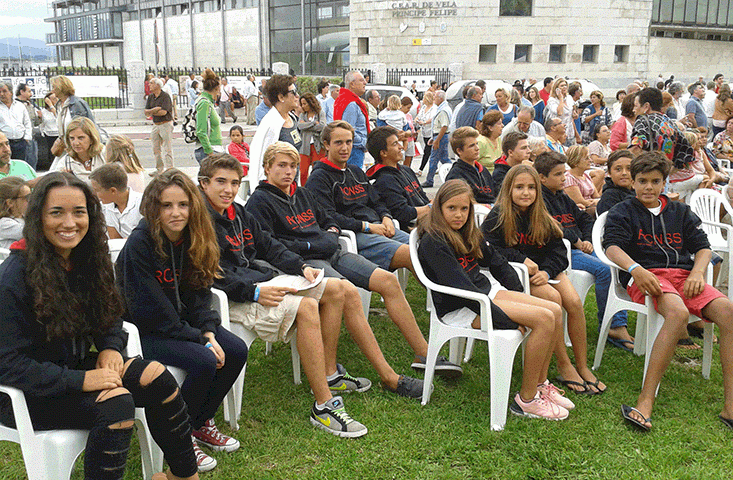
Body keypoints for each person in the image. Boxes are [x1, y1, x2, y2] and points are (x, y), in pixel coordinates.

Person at [0, 172, 200, 480]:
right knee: (116, 403)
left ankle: (183, 475)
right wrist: (80, 381)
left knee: (156, 376)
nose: (70, 223)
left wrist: (110, 345)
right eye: (57, 212)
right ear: (38, 216)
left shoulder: (86, 259)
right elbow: (7, 364)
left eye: (79, 212)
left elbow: (109, 316)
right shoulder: (15, 275)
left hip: (72, 367)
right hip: (25, 393)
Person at [197, 155, 370, 439]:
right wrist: (254, 291)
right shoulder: (199, 222)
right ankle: (324, 406)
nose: (228, 189)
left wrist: (302, 267)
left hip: (259, 282)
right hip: (233, 298)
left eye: (234, 183)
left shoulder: (237, 212)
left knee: (339, 289)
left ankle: (330, 373)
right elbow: (211, 275)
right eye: (220, 182)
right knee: (307, 307)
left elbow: (269, 246)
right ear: (203, 184)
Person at [243, 145, 426, 397]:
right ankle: (387, 376)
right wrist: (309, 245)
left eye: (293, 166)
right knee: (348, 292)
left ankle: (424, 353)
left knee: (387, 281)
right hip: (304, 263)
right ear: (267, 168)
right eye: (281, 166)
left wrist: (330, 233)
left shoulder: (302, 194)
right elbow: (270, 246)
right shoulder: (259, 202)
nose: (288, 172)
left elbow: (327, 218)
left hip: (333, 252)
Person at [306, 121, 462, 376]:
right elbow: (328, 217)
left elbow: (376, 200)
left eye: (348, 142)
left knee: (431, 248)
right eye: (338, 143)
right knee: (414, 256)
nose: (345, 148)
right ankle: (444, 310)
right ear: (326, 145)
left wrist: (386, 217)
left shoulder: (356, 171)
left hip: (382, 227)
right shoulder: (320, 177)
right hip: (356, 235)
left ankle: (450, 303)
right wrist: (368, 226)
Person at [116, 169, 248, 470]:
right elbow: (150, 310)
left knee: (236, 350)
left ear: (193, 206)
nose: (176, 213)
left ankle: (199, 422)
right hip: (146, 332)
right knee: (203, 360)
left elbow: (201, 293)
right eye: (167, 205)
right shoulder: (141, 243)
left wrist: (209, 330)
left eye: (183, 205)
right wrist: (201, 339)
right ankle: (181, 435)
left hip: (182, 325)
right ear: (154, 208)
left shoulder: (194, 238)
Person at [417, 179, 571, 420]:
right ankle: (526, 400)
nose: (459, 215)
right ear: (438, 208)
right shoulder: (434, 241)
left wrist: (519, 295)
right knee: (542, 319)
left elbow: (497, 261)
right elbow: (461, 288)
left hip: (486, 295)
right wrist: (504, 320)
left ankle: (540, 384)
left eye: (464, 209)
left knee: (554, 309)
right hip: (463, 306)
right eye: (451, 208)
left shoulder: (466, 232)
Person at [603, 152, 733, 432]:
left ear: (664, 183)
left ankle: (731, 407)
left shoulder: (681, 211)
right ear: (633, 182)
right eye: (642, 181)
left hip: (683, 275)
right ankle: (645, 400)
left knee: (728, 312)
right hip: (646, 275)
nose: (648, 187)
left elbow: (702, 246)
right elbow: (611, 246)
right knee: (676, 312)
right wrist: (636, 269)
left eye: (655, 181)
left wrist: (698, 272)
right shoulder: (622, 211)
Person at [482, 165, 606, 395]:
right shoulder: (498, 216)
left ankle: (581, 364)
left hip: (547, 271)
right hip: (519, 275)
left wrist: (548, 272)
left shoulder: (541, 215)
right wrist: (522, 260)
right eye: (519, 187)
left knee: (575, 302)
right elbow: (489, 249)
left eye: (531, 188)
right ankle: (564, 365)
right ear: (508, 189)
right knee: (553, 299)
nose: (526, 193)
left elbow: (559, 251)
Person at [536, 151, 633, 351]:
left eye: (564, 173)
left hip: (581, 247)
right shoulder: (540, 201)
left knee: (615, 263)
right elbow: (551, 228)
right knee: (605, 270)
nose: (564, 178)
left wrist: (587, 239)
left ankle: (617, 317)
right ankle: (614, 326)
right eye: (558, 174)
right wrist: (577, 241)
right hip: (564, 253)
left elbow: (585, 220)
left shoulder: (562, 196)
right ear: (542, 178)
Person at [366, 126, 430, 230]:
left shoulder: (406, 170)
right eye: (395, 144)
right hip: (413, 227)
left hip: (428, 219)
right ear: (383, 153)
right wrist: (431, 208)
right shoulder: (384, 180)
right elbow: (403, 213)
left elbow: (423, 197)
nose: (401, 147)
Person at [250, 75, 302, 186]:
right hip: (276, 189)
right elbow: (262, 162)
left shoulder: (292, 118)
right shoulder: (271, 124)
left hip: (292, 185)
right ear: (281, 97)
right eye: (293, 92)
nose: (297, 96)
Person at [630, 87, 695, 172]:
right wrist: (667, 172)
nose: (633, 110)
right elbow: (687, 152)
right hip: (663, 175)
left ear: (646, 106)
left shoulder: (642, 120)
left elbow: (636, 147)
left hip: (646, 173)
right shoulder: (668, 122)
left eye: (636, 106)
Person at [89, 163, 143, 239]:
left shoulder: (143, 204)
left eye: (97, 190)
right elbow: (114, 238)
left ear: (113, 191)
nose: (96, 195)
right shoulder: (106, 207)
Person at [445, 126, 496, 205]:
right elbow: (463, 204)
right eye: (472, 146)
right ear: (459, 151)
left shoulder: (483, 170)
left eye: (477, 144)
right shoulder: (456, 175)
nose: (477, 148)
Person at [50, 75, 95, 158]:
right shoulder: (59, 105)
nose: (52, 90)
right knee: (55, 170)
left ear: (61, 88)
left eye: (54, 87)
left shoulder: (77, 104)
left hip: (79, 147)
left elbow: (87, 126)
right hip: (66, 147)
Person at [50, 117, 105, 182]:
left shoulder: (104, 154)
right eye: (72, 138)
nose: (76, 143)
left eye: (81, 138)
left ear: (92, 139)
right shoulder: (65, 162)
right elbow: (50, 179)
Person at [334, 71, 369, 169]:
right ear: (352, 84)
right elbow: (348, 129)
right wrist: (363, 142)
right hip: (354, 150)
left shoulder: (345, 99)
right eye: (361, 80)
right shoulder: (351, 104)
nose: (365, 83)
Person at [144, 78, 175, 176]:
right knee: (156, 149)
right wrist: (155, 109)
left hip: (165, 124)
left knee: (167, 148)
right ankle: (159, 169)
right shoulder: (150, 97)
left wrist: (151, 111)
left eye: (151, 83)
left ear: (158, 85)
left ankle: (170, 169)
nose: (149, 85)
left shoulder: (165, 96)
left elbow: (163, 112)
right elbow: (146, 112)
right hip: (156, 125)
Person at [421, 90, 452, 188]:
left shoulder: (443, 110)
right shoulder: (443, 108)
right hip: (439, 135)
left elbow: (444, 126)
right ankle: (454, 175)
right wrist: (433, 137)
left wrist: (437, 140)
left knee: (433, 159)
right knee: (444, 159)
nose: (434, 99)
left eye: (435, 97)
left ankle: (429, 180)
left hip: (440, 136)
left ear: (440, 98)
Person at [194, 69, 223, 164]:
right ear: (217, 87)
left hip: (212, 149)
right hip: (209, 150)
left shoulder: (208, 102)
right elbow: (201, 131)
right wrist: (209, 152)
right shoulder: (204, 103)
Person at [297, 93, 326, 186]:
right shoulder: (302, 115)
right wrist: (313, 123)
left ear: (311, 102)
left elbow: (322, 126)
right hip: (304, 147)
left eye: (305, 103)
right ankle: (304, 191)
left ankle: (316, 190)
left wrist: (307, 125)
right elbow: (300, 126)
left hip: (318, 147)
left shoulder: (320, 112)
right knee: (303, 172)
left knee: (317, 171)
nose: (303, 106)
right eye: (302, 104)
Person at [564, 145, 601, 215]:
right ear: (576, 162)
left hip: (592, 206)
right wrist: (599, 202)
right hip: (581, 212)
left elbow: (596, 196)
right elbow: (580, 202)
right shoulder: (569, 178)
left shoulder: (585, 175)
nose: (590, 160)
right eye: (586, 158)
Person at [597, 149, 635, 215]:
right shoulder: (609, 197)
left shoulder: (639, 192)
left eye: (629, 169)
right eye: (618, 169)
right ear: (609, 172)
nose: (624, 173)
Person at [0, 82, 31, 164]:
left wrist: (26, 138)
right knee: (5, 165)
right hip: (4, 144)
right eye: (0, 92)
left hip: (20, 142)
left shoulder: (20, 106)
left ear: (11, 92)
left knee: (20, 165)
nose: (2, 94)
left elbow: (27, 122)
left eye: (4, 91)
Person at [15, 83, 41, 169]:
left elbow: (34, 122)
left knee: (33, 163)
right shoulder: (16, 105)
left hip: (32, 138)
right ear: (22, 92)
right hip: (23, 139)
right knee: (24, 164)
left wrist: (40, 118)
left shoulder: (30, 104)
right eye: (29, 91)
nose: (31, 94)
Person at [0, 176, 29, 248]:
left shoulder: (24, 217)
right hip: (12, 258)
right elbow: (32, 232)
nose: (31, 200)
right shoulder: (4, 223)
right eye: (27, 198)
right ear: (10, 203)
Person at [545, 79, 574, 145]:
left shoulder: (569, 98)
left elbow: (571, 115)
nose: (564, 87)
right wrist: (561, 98)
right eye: (562, 86)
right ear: (557, 88)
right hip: (558, 131)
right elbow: (559, 112)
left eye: (565, 85)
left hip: (569, 131)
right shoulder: (552, 100)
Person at [415, 90, 436, 177]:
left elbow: (432, 118)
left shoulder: (434, 108)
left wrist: (424, 122)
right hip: (424, 132)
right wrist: (417, 119)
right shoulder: (424, 107)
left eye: (424, 98)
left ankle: (421, 169)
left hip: (431, 132)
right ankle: (435, 166)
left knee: (427, 150)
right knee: (432, 151)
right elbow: (419, 115)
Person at [38, 91, 59, 171]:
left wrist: (51, 106)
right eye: (54, 99)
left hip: (58, 134)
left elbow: (57, 116)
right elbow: (41, 123)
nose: (56, 100)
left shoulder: (59, 109)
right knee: (51, 154)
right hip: (49, 135)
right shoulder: (43, 111)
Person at [400, 96, 416, 167]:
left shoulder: (409, 115)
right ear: (402, 106)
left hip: (410, 140)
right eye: (408, 107)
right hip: (402, 140)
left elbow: (411, 127)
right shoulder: (398, 115)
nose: (409, 110)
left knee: (408, 162)